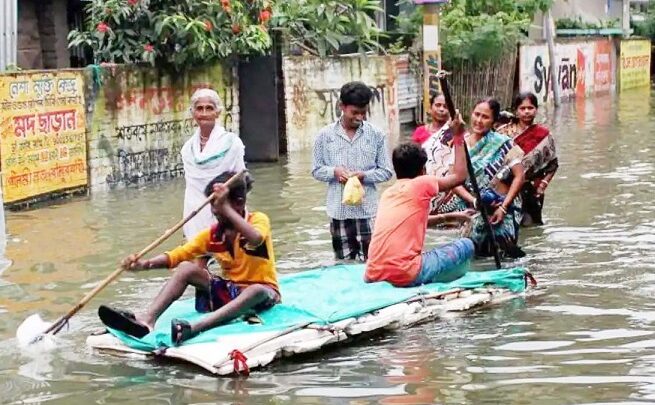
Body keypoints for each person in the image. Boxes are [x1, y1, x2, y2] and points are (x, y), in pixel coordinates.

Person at [98, 171, 279, 345]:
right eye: (213, 205)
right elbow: (177, 255)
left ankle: (194, 328)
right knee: (186, 268)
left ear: (238, 203)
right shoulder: (214, 235)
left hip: (264, 294)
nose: (214, 211)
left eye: (218, 205)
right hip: (231, 292)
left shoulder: (257, 220)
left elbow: (256, 238)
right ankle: (147, 321)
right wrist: (144, 265)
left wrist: (225, 208)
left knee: (256, 290)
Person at [365, 112, 475, 287]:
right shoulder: (422, 183)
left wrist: (450, 217)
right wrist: (458, 136)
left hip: (373, 273)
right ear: (423, 169)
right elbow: (460, 176)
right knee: (466, 245)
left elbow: (410, 221)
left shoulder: (389, 193)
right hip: (405, 273)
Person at [312, 81, 394, 261]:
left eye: (363, 113)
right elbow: (316, 170)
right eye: (354, 112)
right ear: (342, 106)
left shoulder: (376, 135)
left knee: (372, 262)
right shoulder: (324, 136)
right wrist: (334, 172)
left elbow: (387, 171)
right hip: (338, 212)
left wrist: (364, 176)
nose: (359, 117)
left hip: (368, 212)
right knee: (343, 265)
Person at [437, 98, 526, 258]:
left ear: (493, 121)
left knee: (503, 253)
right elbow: (454, 181)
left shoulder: (504, 144)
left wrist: (503, 208)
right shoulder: (459, 144)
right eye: (476, 114)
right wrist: (474, 201)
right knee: (472, 254)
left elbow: (519, 177)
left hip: (501, 210)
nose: (479, 120)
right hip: (472, 210)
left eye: (485, 117)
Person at [181, 88, 246, 241]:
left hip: (224, 212)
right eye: (199, 108)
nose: (204, 113)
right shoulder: (187, 149)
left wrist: (237, 214)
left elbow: (241, 181)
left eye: (209, 108)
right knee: (196, 257)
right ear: (193, 113)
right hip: (194, 214)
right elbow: (192, 189)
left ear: (217, 112)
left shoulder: (232, 143)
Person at [497, 92, 558, 226]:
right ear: (516, 111)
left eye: (530, 108)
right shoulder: (503, 133)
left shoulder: (544, 135)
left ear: (536, 110)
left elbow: (552, 164)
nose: (526, 112)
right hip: (506, 188)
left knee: (530, 225)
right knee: (507, 223)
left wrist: (542, 185)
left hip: (531, 190)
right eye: (522, 109)